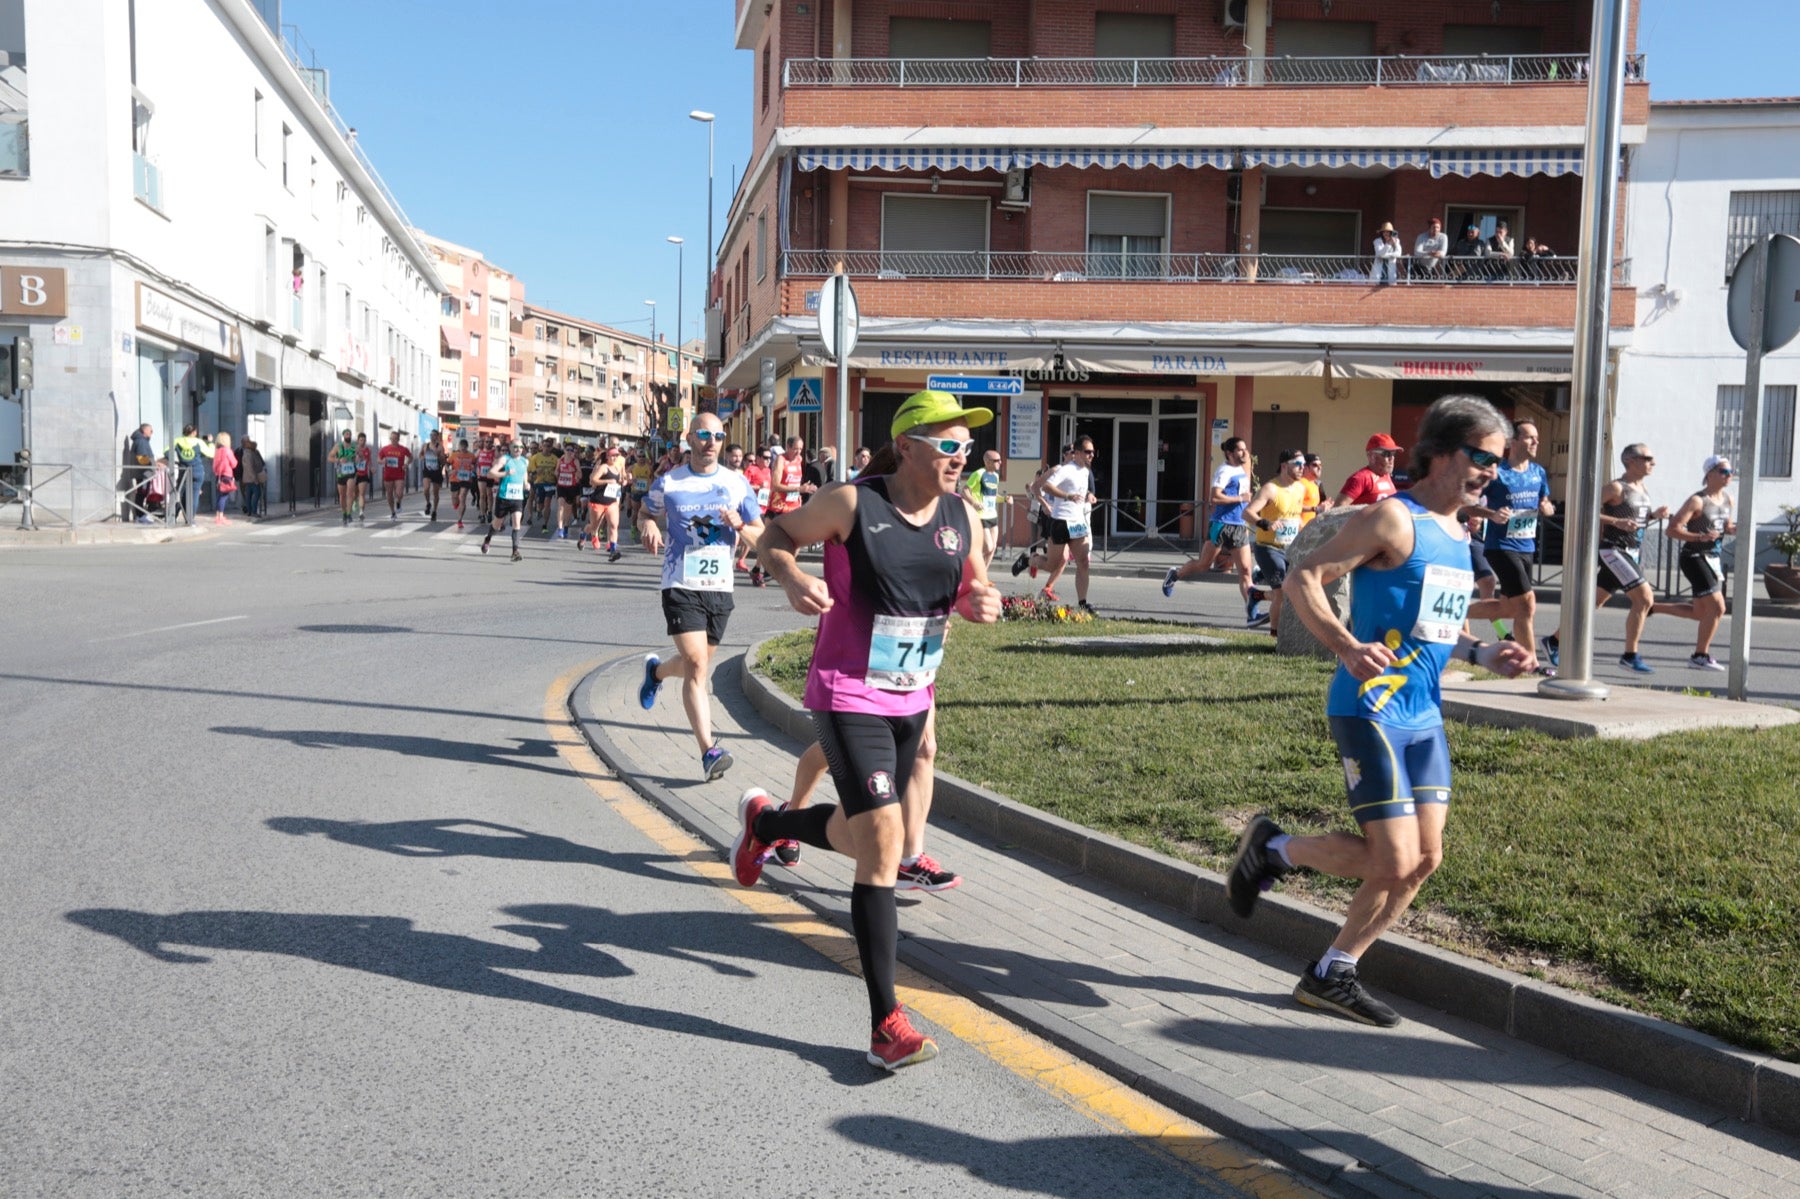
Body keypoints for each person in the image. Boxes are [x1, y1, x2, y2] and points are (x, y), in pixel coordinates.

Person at [1228, 394, 1533, 1027]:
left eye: (1496, 463)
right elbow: (1303, 576)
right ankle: (1273, 849)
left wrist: (1484, 653)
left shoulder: (1456, 532)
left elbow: (1435, 627)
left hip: (1424, 716)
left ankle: (1332, 971)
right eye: (1482, 457)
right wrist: (1343, 645)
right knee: (1392, 858)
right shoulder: (1395, 519)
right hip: (1369, 708)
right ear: (1442, 453)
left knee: (1424, 861)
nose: (1491, 472)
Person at [729, 389, 1001, 1070]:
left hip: (911, 696)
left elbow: (969, 586)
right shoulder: (854, 502)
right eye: (948, 443)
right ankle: (887, 1023)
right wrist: (790, 576)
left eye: (965, 445)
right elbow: (773, 534)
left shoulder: (963, 513)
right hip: (848, 691)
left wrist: (980, 600)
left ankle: (767, 825)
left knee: (859, 837)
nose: (960, 455)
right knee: (882, 841)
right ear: (907, 445)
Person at [637, 413, 765, 781]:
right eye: (704, 434)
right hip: (680, 583)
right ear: (690, 437)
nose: (711, 442)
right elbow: (646, 511)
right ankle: (709, 750)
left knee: (696, 665)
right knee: (695, 665)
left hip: (720, 588)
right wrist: (648, 525)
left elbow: (761, 535)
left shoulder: (737, 484)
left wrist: (740, 525)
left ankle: (657, 672)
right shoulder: (670, 483)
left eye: (718, 435)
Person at [1542, 443, 1667, 674]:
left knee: (1593, 603)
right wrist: (1614, 522)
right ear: (1630, 460)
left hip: (1631, 552)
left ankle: (1554, 640)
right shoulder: (1616, 488)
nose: (1653, 463)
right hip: (1613, 550)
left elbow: (1634, 520)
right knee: (1644, 599)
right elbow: (1583, 508)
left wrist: (1653, 516)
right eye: (1648, 458)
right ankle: (1630, 655)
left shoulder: (1642, 489)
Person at [1471, 419, 1555, 675]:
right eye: (1530, 437)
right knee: (1528, 603)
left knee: (1510, 608)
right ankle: (1532, 664)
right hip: (1500, 546)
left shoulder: (1538, 472)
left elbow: (1548, 504)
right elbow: (1467, 504)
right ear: (1513, 441)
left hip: (1526, 546)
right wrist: (1491, 514)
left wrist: (1546, 509)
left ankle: (1451, 613)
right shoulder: (1498, 472)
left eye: (1537, 438)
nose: (1536, 442)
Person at [1654, 455, 1736, 672]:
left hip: (1713, 559)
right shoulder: (1697, 501)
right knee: (1718, 607)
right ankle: (1700, 656)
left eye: (1731, 472)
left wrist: (1732, 529)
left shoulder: (1728, 499)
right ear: (1709, 474)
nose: (1729, 476)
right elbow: (1672, 529)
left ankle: (1654, 607)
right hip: (1694, 557)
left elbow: (1725, 525)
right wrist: (1699, 537)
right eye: (1724, 472)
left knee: (1701, 613)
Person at [1162, 437, 1257, 622]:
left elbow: (1244, 499)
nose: (1245, 452)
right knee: (1204, 565)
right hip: (1221, 524)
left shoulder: (1242, 470)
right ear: (1229, 453)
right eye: (1240, 450)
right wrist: (1240, 499)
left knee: (1245, 570)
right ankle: (1175, 574)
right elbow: (1215, 497)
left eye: (1245, 449)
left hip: (1238, 525)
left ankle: (1251, 613)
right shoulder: (1224, 471)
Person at [1243, 450, 1309, 636]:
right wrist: (1266, 523)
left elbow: (1294, 516)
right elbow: (1247, 513)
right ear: (1284, 465)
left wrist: (1308, 533)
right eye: (1297, 463)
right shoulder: (1270, 488)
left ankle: (1257, 594)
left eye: (1303, 464)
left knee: (1295, 589)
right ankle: (1275, 635)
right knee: (1281, 593)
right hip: (1268, 548)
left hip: (1290, 548)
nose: (1302, 467)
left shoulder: (1300, 488)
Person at [1040, 436, 1097, 613]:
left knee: (1083, 563)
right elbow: (1047, 487)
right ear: (1077, 453)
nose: (1091, 455)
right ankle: (1028, 560)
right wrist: (1067, 496)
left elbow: (1079, 489)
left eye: (1093, 452)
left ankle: (1083, 603)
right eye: (1088, 452)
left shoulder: (1086, 471)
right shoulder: (1066, 469)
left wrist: (1088, 495)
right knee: (1052, 564)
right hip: (1060, 521)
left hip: (1078, 523)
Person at [480, 439, 530, 562]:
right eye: (515, 447)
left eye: (520, 447)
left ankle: (515, 551)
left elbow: (524, 473)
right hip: (504, 497)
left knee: (517, 522)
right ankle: (488, 539)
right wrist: (505, 473)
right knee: (497, 524)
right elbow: (490, 474)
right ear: (510, 448)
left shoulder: (525, 461)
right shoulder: (505, 459)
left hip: (517, 497)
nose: (518, 449)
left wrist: (526, 484)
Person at [739, 443, 773, 585]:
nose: (767, 461)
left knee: (764, 541)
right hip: (752, 510)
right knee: (758, 541)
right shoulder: (751, 470)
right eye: (765, 458)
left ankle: (758, 569)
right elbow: (743, 485)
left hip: (766, 509)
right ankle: (757, 569)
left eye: (770, 458)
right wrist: (758, 487)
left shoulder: (768, 471)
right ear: (758, 458)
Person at [1336, 434, 1401, 508]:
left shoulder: (1386, 475)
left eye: (1393, 453)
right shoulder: (1361, 478)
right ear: (1372, 456)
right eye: (1387, 454)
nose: (1391, 458)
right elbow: (1337, 509)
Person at [587, 445, 628, 560]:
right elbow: (593, 480)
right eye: (612, 456)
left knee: (614, 525)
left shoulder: (617, 468)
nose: (615, 458)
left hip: (612, 501)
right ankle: (590, 535)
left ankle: (613, 550)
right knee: (594, 526)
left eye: (616, 456)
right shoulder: (603, 467)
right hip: (599, 500)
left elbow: (619, 480)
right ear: (608, 456)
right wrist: (607, 481)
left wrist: (624, 481)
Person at [965, 448, 1003, 566]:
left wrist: (1005, 499)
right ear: (988, 462)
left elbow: (993, 495)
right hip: (981, 516)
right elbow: (965, 490)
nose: (1000, 462)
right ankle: (968, 563)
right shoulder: (978, 474)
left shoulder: (995, 476)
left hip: (992, 515)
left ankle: (983, 576)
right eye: (997, 460)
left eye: (1000, 460)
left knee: (992, 549)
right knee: (988, 546)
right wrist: (974, 502)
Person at [169, 424, 213, 524]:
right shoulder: (199, 442)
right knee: (194, 496)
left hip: (183, 471)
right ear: (194, 432)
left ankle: (172, 517)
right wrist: (210, 442)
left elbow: (166, 451)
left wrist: (177, 460)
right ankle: (190, 520)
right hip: (197, 471)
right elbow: (211, 453)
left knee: (180, 494)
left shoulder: (177, 440)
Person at [377, 430, 412, 520]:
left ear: (398, 439)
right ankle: (393, 512)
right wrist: (382, 461)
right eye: (392, 438)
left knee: (399, 493)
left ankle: (398, 502)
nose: (393, 440)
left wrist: (406, 464)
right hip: (388, 474)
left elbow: (411, 457)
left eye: (395, 438)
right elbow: (378, 459)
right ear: (390, 439)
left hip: (399, 474)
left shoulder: (403, 449)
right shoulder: (385, 449)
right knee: (389, 494)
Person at [529, 439, 560, 533]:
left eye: (548, 446)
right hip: (539, 483)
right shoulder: (535, 457)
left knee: (548, 503)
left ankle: (545, 525)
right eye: (544, 446)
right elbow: (530, 472)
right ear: (541, 447)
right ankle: (539, 510)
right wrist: (535, 472)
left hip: (550, 483)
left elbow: (558, 472)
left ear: (551, 448)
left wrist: (557, 479)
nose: (546, 448)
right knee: (540, 505)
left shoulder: (555, 459)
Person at [329, 429, 359, 526]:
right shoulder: (338, 446)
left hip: (351, 472)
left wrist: (358, 458)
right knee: (342, 496)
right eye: (346, 434)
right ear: (343, 436)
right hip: (341, 473)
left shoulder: (355, 447)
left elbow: (361, 457)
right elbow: (329, 457)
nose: (348, 435)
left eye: (349, 434)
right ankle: (344, 513)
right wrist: (339, 460)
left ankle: (349, 513)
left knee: (350, 493)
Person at [128, 423, 157, 523]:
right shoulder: (141, 441)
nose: (152, 433)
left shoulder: (142, 440)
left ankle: (140, 515)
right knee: (141, 494)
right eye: (150, 430)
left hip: (144, 472)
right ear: (144, 431)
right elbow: (142, 458)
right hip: (143, 473)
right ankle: (140, 516)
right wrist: (154, 464)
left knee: (142, 493)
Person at [554, 443, 583, 541]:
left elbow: (580, 475)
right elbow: (556, 471)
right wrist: (557, 473)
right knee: (561, 505)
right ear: (564, 450)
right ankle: (560, 528)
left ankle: (566, 526)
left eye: (572, 450)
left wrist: (574, 471)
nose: (570, 452)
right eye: (568, 449)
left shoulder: (575, 461)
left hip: (571, 487)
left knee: (568, 509)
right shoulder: (560, 460)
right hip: (561, 486)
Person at [210, 432, 239, 525]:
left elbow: (214, 466)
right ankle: (220, 517)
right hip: (227, 475)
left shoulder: (217, 451)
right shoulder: (227, 450)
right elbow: (234, 463)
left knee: (219, 496)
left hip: (218, 476)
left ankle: (218, 516)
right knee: (224, 497)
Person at [449, 438, 477, 529]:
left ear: (467, 447)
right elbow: (447, 464)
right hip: (455, 479)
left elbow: (475, 465)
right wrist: (449, 470)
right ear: (459, 446)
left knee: (462, 497)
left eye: (464, 447)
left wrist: (473, 467)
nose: (463, 449)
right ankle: (455, 504)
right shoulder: (454, 455)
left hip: (466, 479)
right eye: (461, 447)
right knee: (455, 497)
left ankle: (460, 520)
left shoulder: (471, 456)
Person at [1299, 453, 1333, 527]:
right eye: (1315, 465)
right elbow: (1293, 507)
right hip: (1299, 531)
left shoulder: (1315, 485)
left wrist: (1322, 506)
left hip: (1309, 530)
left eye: (1320, 465)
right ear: (1305, 467)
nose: (1319, 467)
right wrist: (1317, 508)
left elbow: (1312, 508)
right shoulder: (1300, 483)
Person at [419, 431, 446, 522]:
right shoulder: (425, 446)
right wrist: (422, 457)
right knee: (426, 489)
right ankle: (428, 503)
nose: (432, 437)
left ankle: (434, 511)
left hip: (436, 471)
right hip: (427, 470)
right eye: (430, 435)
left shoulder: (440, 447)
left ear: (437, 437)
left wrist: (438, 456)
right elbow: (420, 455)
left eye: (434, 435)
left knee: (435, 493)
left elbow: (443, 461)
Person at [239, 437, 266, 521]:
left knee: (248, 495)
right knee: (257, 493)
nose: (256, 447)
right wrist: (255, 479)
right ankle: (253, 511)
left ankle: (250, 511)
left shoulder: (247, 453)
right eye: (255, 446)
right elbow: (250, 468)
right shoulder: (249, 454)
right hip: (251, 478)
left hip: (247, 478)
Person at [475, 435, 498, 524]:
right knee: (482, 495)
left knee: (489, 494)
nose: (488, 443)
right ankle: (482, 514)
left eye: (490, 442)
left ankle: (489, 511)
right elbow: (473, 459)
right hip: (481, 475)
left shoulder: (494, 452)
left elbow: (499, 459)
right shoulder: (479, 451)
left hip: (490, 476)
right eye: (486, 441)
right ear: (484, 442)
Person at [352, 432, 373, 523]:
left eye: (364, 440)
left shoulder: (368, 450)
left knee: (362, 494)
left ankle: (361, 512)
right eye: (361, 440)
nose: (362, 442)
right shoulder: (353, 449)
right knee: (354, 494)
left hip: (363, 474)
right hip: (354, 474)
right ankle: (354, 501)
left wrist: (371, 467)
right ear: (358, 440)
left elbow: (369, 461)